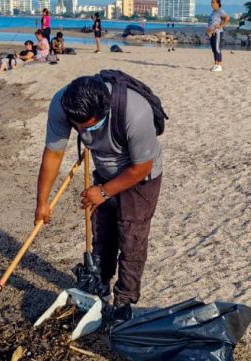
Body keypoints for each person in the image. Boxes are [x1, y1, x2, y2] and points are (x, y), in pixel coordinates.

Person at [38, 75, 163, 318]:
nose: (86, 133)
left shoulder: (135, 112)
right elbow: (53, 154)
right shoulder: (62, 104)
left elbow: (142, 167)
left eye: (92, 127)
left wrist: (103, 192)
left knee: (131, 238)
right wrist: (42, 202)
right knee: (102, 234)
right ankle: (100, 287)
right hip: (104, 173)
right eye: (80, 128)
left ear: (105, 109)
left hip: (140, 177)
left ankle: (124, 302)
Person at [207, 0, 230, 72]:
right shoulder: (213, 12)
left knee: (217, 49)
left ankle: (219, 65)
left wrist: (221, 25)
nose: (212, 4)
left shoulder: (220, 11)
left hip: (218, 33)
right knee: (214, 50)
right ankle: (216, 64)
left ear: (218, 3)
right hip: (212, 33)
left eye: (213, 2)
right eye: (211, 2)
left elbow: (227, 18)